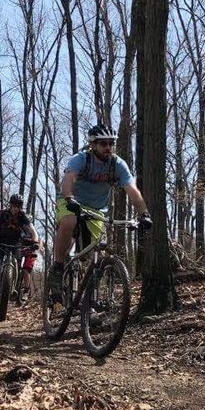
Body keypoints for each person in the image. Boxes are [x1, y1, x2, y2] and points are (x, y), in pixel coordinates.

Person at [47, 124, 152, 305]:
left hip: (96, 209)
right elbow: (68, 179)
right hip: (71, 201)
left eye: (111, 143)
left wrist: (144, 213)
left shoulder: (117, 165)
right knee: (69, 222)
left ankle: (89, 302)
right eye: (103, 144)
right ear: (93, 145)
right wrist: (69, 198)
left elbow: (132, 190)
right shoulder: (80, 159)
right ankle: (57, 268)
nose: (108, 148)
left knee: (91, 253)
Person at [0, 195, 40, 298]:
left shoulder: (23, 216)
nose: (16, 208)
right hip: (1, 242)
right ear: (10, 204)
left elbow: (33, 231)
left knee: (17, 265)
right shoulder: (2, 214)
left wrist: (35, 242)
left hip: (16, 244)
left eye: (18, 206)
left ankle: (12, 287)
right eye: (14, 205)